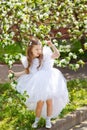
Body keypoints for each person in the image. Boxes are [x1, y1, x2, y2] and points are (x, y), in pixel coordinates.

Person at [9, 36, 69, 129]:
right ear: (30, 49)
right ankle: (36, 120)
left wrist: (51, 45)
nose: (39, 51)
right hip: (40, 84)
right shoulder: (30, 61)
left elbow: (57, 54)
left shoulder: (45, 56)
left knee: (49, 102)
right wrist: (15, 74)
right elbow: (27, 71)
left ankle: (48, 120)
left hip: (49, 81)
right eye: (36, 49)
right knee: (39, 103)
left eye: (40, 49)